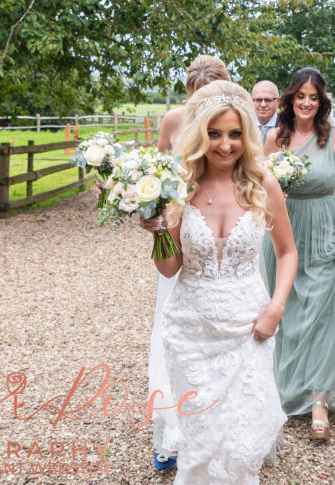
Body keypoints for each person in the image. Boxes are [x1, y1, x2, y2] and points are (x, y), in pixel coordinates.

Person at [139, 80, 297, 484]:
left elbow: (287, 253)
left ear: (247, 135)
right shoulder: (179, 188)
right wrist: (157, 229)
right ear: (198, 135)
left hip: (249, 328)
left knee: (242, 446)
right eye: (214, 134)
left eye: (234, 134)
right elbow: (169, 268)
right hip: (190, 332)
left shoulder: (264, 185)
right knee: (200, 446)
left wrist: (276, 307)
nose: (225, 145)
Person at [260, 67, 335, 440]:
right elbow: (260, 187)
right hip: (287, 229)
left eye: (314, 97)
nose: (307, 103)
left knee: (321, 313)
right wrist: (276, 196)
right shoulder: (274, 140)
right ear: (291, 99)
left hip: (325, 228)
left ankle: (318, 400)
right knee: (290, 310)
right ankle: (286, 389)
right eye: (301, 96)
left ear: (322, 102)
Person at [149, 54, 231, 470]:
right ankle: (173, 430)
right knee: (174, 336)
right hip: (183, 232)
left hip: (222, 232)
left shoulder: (234, 124)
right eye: (196, 98)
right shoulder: (173, 121)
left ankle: (226, 430)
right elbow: (155, 172)